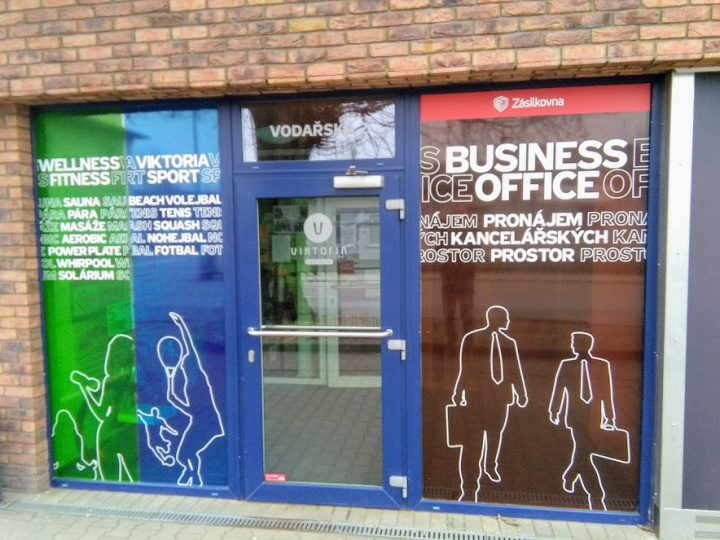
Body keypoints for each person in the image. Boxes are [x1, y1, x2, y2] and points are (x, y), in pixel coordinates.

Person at [449, 305, 529, 502]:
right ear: (495, 319)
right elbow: (465, 368)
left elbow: (515, 370)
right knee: (472, 442)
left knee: (495, 434)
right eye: (505, 318)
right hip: (476, 397)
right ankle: (469, 485)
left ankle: (490, 465)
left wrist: (521, 393)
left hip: (501, 398)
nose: (508, 321)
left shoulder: (509, 342)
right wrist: (458, 391)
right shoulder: (472, 338)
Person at [548, 332, 630, 511]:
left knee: (583, 452)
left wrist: (610, 417)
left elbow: (607, 393)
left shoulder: (601, 365)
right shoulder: (567, 365)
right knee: (584, 451)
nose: (572, 345)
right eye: (572, 342)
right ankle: (596, 495)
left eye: (575, 342)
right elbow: (559, 389)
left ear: (585, 345)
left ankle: (571, 476)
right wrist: (554, 410)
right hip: (574, 417)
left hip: (594, 418)